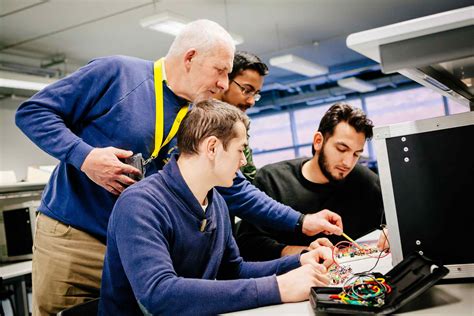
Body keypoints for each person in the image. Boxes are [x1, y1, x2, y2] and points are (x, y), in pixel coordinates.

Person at [15, 20, 342, 315]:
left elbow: (235, 188)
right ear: (190, 58)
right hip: (77, 234)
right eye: (220, 70)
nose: (223, 83)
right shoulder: (117, 74)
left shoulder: (195, 116)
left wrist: (300, 222)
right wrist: (85, 156)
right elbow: (33, 112)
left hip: (143, 241)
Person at [99, 100, 333, 315]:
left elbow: (233, 271)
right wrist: (277, 287)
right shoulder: (140, 203)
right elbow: (159, 294)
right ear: (212, 147)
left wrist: (299, 261)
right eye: (240, 150)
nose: (243, 162)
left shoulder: (216, 201)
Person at [237, 103, 386, 261]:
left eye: (356, 154)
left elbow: (398, 217)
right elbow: (248, 244)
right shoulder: (272, 179)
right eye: (342, 149)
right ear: (318, 141)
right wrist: (305, 252)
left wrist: (393, 231)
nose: (348, 163)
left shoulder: (365, 181)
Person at [217, 51, 268, 182]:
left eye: (255, 94)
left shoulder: (239, 125)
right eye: (246, 90)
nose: (251, 101)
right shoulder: (194, 121)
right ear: (225, 80)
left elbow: (248, 177)